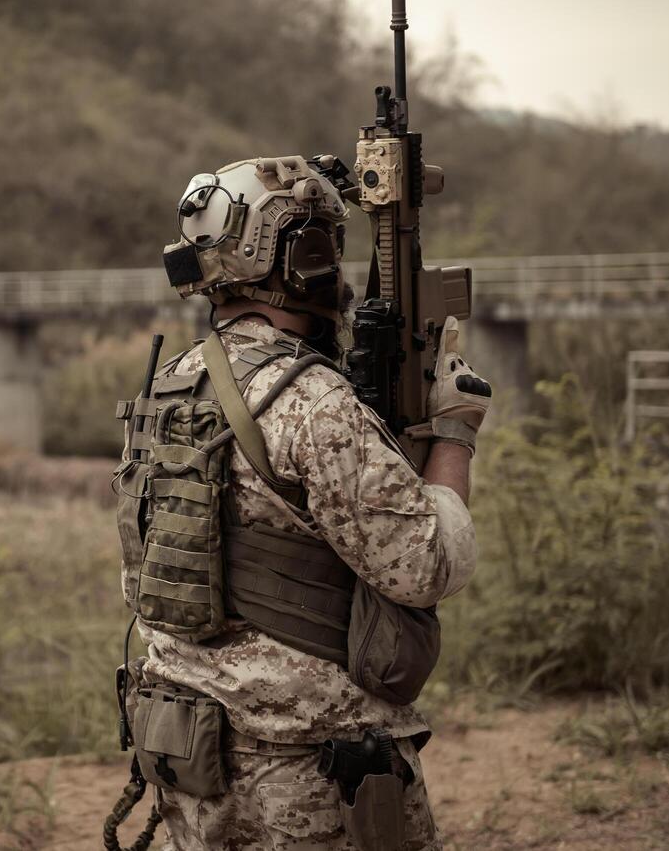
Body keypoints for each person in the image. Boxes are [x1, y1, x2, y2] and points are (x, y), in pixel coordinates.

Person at [115, 155, 490, 851]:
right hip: (304, 764)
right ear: (302, 258)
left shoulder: (166, 386)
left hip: (184, 740)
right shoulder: (313, 403)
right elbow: (425, 568)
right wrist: (452, 433)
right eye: (326, 246)